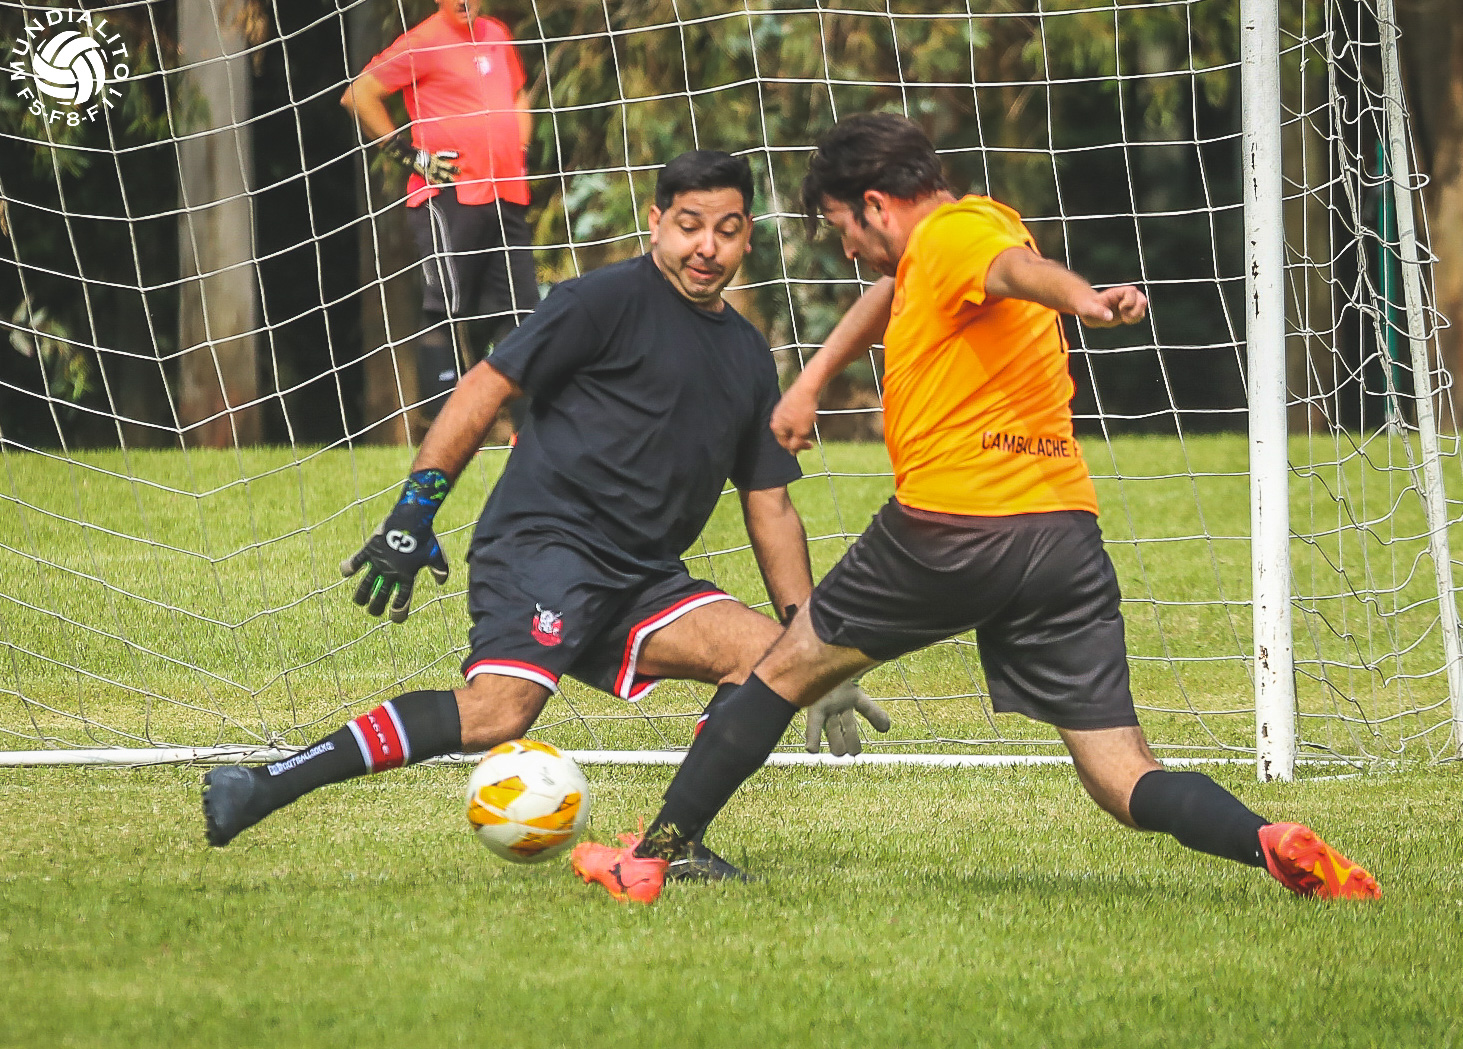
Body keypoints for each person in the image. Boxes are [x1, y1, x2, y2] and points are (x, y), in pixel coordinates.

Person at [571, 114, 1382, 905]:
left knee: (781, 670)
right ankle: (1267, 838)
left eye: (843, 228)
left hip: (949, 527)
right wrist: (811, 382)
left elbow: (1015, 271)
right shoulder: (950, 241)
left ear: (875, 205)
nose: (846, 249)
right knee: (1121, 775)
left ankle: (649, 858)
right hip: (1063, 535)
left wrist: (1085, 301)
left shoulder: (957, 237)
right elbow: (900, 289)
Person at [201, 151, 889, 880]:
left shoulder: (747, 355)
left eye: (725, 229)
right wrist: (413, 512)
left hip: (643, 577)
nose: (706, 247)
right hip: (545, 546)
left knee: (770, 661)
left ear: (747, 235)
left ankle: (666, 847)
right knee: (498, 714)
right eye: (689, 225)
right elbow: (483, 388)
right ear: (655, 223)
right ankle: (262, 784)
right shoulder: (599, 301)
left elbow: (769, 502)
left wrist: (808, 643)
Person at [341, 0, 539, 422]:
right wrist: (408, 155)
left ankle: (527, 430)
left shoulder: (496, 34)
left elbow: (519, 95)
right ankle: (441, 426)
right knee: (447, 307)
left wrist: (519, 147)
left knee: (521, 309)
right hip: (449, 197)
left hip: (507, 194)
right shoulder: (423, 42)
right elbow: (359, 94)